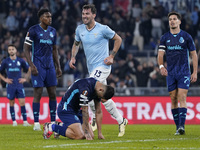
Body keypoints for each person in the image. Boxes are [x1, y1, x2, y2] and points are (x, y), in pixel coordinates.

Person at [69, 4, 128, 137]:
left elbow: (118, 39)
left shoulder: (103, 29)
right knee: (102, 97)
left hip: (103, 66)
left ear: (93, 15)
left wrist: (112, 56)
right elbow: (76, 44)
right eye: (83, 13)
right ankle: (121, 120)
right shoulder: (80, 29)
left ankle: (94, 119)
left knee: (88, 88)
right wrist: (73, 57)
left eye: (87, 14)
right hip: (91, 68)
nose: (84, 16)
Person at [157, 11, 198, 135]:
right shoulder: (165, 38)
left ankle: (182, 126)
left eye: (174, 19)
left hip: (184, 72)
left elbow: (194, 54)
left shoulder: (186, 36)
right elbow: (160, 54)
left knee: (182, 97)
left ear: (179, 21)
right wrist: (161, 66)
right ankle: (177, 127)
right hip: (171, 73)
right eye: (170, 19)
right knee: (173, 99)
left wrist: (194, 72)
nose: (172, 21)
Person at [23, 8, 62, 131]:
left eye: (50, 16)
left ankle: (52, 122)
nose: (50, 19)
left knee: (52, 94)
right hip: (38, 66)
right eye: (47, 17)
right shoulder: (33, 30)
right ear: (41, 18)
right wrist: (31, 65)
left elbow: (55, 50)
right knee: (38, 94)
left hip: (50, 66)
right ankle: (35, 123)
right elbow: (26, 49)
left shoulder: (53, 31)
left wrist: (58, 67)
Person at [43, 77, 114, 140]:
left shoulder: (98, 89)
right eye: (101, 97)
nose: (101, 99)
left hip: (76, 110)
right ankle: (51, 127)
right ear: (101, 90)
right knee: (80, 136)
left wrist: (99, 133)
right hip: (66, 109)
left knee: (91, 136)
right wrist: (86, 132)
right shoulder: (85, 89)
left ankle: (61, 126)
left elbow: (98, 111)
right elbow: (85, 111)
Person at [0, 44, 30, 126]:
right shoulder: (5, 61)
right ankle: (14, 121)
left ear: (16, 50)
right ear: (8, 51)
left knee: (22, 102)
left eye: (12, 49)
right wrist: (5, 79)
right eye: (9, 49)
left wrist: (25, 79)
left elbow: (29, 69)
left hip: (19, 85)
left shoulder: (20, 61)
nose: (11, 51)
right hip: (10, 85)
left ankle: (25, 121)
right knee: (11, 103)